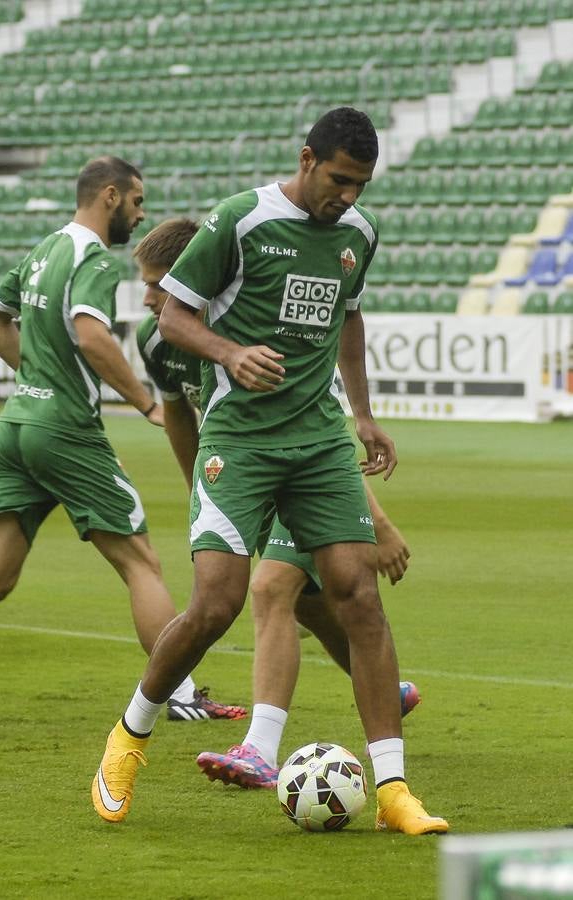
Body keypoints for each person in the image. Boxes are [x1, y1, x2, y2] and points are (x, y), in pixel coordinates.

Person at [92, 109, 449, 835]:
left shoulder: (359, 235)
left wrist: (364, 413)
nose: (348, 197)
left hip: (317, 440)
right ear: (308, 158)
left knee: (358, 598)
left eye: (361, 186)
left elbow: (349, 316)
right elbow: (174, 318)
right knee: (216, 604)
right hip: (244, 440)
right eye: (340, 180)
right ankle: (128, 738)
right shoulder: (242, 220)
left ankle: (392, 791)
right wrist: (230, 353)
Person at [0, 156, 245, 724]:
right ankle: (177, 695)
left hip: (17, 424)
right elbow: (91, 336)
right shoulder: (94, 258)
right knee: (141, 563)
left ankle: (177, 691)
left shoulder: (44, 249)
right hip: (64, 431)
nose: (140, 213)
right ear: (110, 196)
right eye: (137, 201)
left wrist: (38, 378)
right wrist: (146, 404)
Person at [134, 216, 419, 788]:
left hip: (306, 468)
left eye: (159, 284)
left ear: (199, 278)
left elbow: (323, 437)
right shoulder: (158, 342)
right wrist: (208, 493)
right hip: (242, 473)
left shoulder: (267, 333)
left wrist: (381, 526)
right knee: (312, 604)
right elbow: (178, 418)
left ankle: (260, 747)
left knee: (271, 588)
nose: (147, 298)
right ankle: (387, 691)